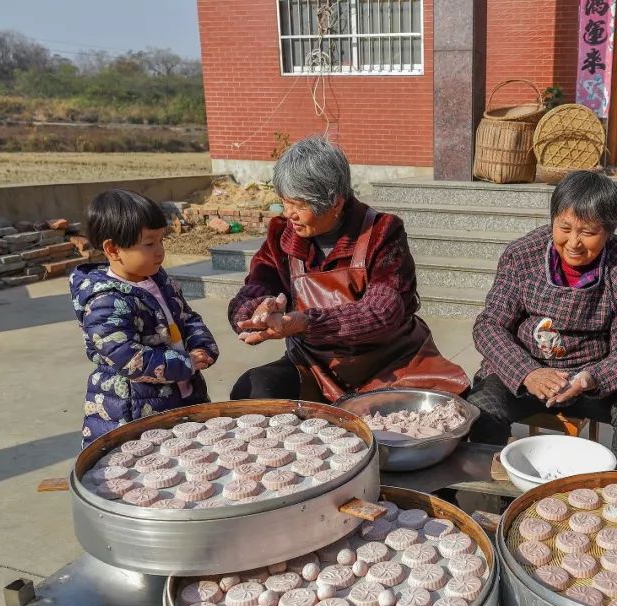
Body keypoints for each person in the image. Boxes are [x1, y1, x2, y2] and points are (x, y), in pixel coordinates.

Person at [228, 136, 468, 402]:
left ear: (335, 202)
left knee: (451, 410)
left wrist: (307, 322)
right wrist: (259, 311)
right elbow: (249, 294)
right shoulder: (282, 237)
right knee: (254, 388)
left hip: (393, 364)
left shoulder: (382, 232)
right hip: (316, 368)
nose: (289, 214)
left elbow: (382, 312)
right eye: (286, 202)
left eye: (300, 205)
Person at [468, 171, 617, 464]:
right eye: (565, 228)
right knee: (482, 405)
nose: (573, 242)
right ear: (553, 220)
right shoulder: (522, 255)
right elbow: (489, 325)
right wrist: (528, 373)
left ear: (609, 231)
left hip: (591, 380)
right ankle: (498, 500)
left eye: (588, 232)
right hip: (527, 374)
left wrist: (590, 378)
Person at [71, 189, 219, 446]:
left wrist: (202, 345)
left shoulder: (160, 281)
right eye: (149, 244)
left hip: (182, 394)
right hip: (133, 408)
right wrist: (186, 363)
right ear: (113, 249)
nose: (160, 251)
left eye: (162, 241)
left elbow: (187, 317)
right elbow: (128, 358)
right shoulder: (105, 302)